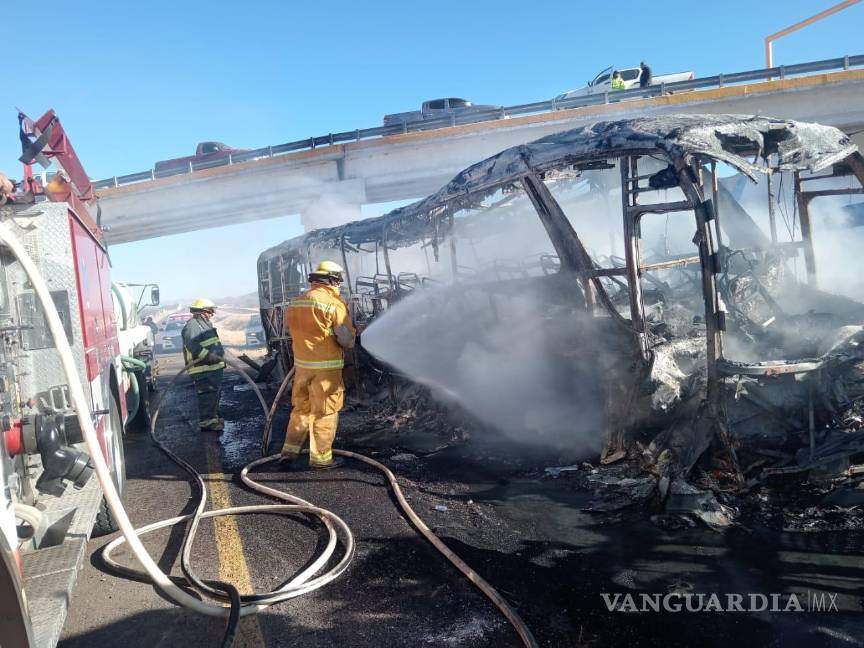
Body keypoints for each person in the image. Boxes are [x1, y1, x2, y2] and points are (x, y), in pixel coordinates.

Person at [280, 260, 356, 469]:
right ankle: (321, 460)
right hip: (326, 371)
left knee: (301, 410)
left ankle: (289, 452)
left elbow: (290, 332)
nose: (339, 285)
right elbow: (346, 340)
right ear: (332, 280)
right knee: (325, 412)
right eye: (338, 280)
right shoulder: (333, 304)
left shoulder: (297, 302)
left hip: (302, 369)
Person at [181, 298, 226, 432]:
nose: (212, 314)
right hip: (202, 368)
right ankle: (207, 423)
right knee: (207, 394)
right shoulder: (193, 325)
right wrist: (208, 355)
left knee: (213, 394)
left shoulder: (204, 324)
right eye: (211, 311)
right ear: (203, 312)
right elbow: (192, 345)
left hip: (212, 367)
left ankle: (214, 418)